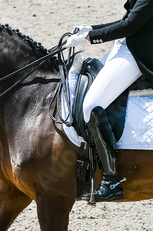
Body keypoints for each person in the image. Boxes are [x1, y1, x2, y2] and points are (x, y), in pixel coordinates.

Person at [65, 0, 153, 201]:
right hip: (123, 45)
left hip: (136, 53)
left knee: (91, 106)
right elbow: (128, 20)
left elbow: (131, 25)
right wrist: (92, 29)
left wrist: (91, 36)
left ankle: (111, 181)